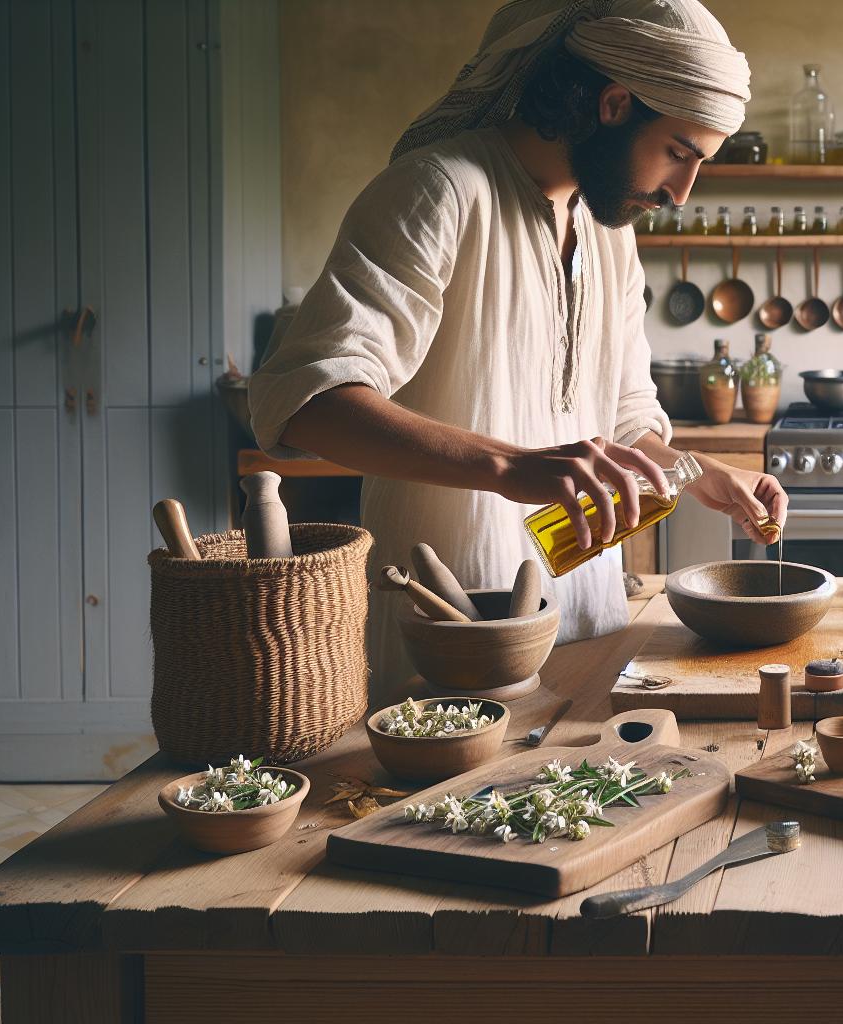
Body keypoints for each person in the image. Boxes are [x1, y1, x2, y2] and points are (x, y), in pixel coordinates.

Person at [249, 0, 784, 698]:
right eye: (679, 153)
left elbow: (623, 421)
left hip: (588, 621)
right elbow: (303, 402)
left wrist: (694, 471)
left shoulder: (609, 232)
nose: (682, 192)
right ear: (614, 104)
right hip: (449, 630)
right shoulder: (439, 191)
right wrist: (511, 467)